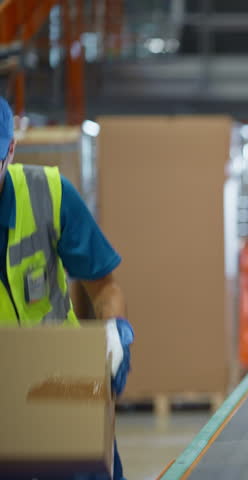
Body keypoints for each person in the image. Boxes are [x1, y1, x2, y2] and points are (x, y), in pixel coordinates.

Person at [2, 98, 133, 479]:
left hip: (58, 390)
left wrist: (113, 332)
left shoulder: (49, 194)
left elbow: (105, 287)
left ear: (10, 151)